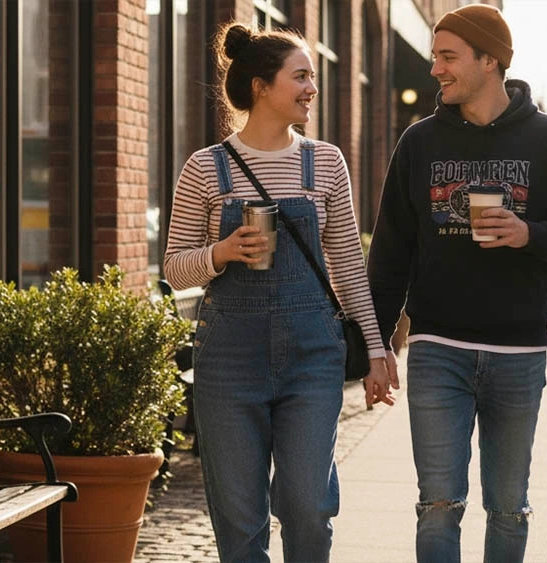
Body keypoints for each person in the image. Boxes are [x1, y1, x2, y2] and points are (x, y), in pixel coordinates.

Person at [366, 5, 547, 561]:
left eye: (448, 57)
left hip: (519, 353)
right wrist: (375, 347)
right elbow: (391, 254)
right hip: (437, 350)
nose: (436, 70)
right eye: (434, 58)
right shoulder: (419, 143)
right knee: (438, 504)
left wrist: (528, 234)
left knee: (508, 507)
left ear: (489, 60)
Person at [162, 22, 394, 563]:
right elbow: (174, 270)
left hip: (313, 355)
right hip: (228, 359)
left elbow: (347, 266)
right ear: (262, 86)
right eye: (302, 76)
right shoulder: (205, 167)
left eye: (313, 75)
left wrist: (377, 350)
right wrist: (220, 254)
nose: (312, 87)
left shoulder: (326, 162)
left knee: (308, 505)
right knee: (239, 520)